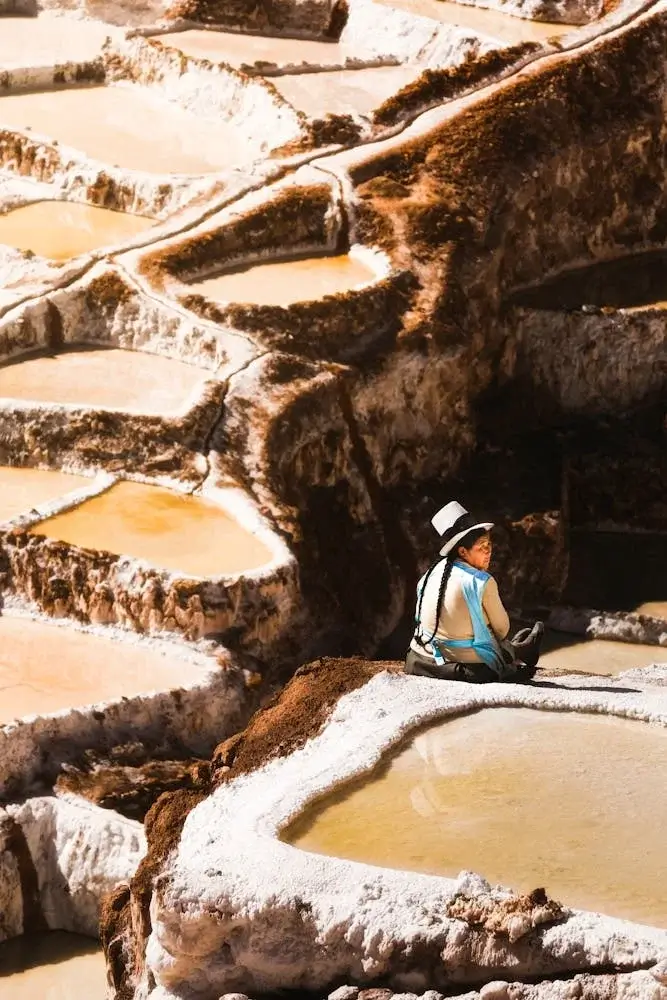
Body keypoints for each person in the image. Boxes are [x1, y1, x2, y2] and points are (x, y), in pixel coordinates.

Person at [405, 500, 544, 683]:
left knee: (477, 627)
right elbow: (502, 630)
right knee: (490, 636)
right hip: (464, 666)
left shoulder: (430, 573)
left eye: (489, 545)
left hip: (421, 658)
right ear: (463, 551)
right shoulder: (481, 581)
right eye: (481, 546)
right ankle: (522, 649)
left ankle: (520, 648)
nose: (488, 552)